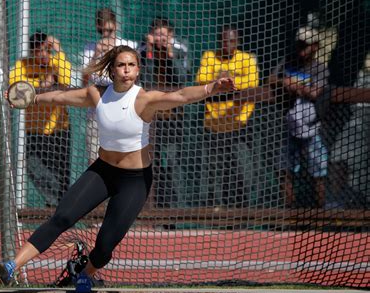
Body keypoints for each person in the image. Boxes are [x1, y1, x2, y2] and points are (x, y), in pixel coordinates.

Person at [0, 45, 236, 293]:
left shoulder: (145, 99)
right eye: (121, 65)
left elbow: (183, 95)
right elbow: (59, 97)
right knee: (63, 216)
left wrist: (212, 88)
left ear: (138, 70)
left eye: (131, 65)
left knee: (106, 242)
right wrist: (30, 97)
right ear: (112, 69)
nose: (126, 70)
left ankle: (86, 274)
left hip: (135, 180)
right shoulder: (97, 94)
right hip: (102, 171)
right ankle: (12, 266)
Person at [195, 25, 259, 206]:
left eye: (231, 41)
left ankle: (240, 210)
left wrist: (226, 82)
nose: (227, 45)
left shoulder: (245, 59)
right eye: (224, 41)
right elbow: (200, 79)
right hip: (214, 126)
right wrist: (220, 82)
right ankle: (215, 210)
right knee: (214, 172)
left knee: (242, 170)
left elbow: (252, 81)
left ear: (237, 42)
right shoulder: (210, 56)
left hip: (240, 125)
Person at [9, 31, 72, 207]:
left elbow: (66, 80)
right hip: (32, 130)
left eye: (45, 50)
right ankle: (54, 203)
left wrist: (58, 52)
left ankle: (60, 209)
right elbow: (15, 83)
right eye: (38, 51)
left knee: (61, 174)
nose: (42, 54)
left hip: (59, 129)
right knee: (32, 167)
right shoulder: (24, 64)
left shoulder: (56, 63)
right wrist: (40, 84)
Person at [270, 26, 329, 207]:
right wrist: (284, 81)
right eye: (300, 45)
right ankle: (290, 214)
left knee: (318, 171)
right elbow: (270, 80)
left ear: (315, 46)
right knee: (284, 170)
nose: (302, 49)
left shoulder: (320, 68)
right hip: (289, 125)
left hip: (311, 128)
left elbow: (315, 93)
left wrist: (297, 86)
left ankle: (321, 215)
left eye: (306, 45)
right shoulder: (288, 62)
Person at [138, 17, 190, 208]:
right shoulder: (143, 53)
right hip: (150, 118)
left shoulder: (180, 51)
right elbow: (146, 78)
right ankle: (151, 209)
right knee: (152, 162)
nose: (160, 38)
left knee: (172, 163)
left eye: (164, 35)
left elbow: (182, 77)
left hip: (173, 118)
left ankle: (171, 211)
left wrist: (169, 53)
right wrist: (150, 52)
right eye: (157, 34)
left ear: (171, 35)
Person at [82, 8, 137, 164]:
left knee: (122, 160)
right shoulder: (90, 48)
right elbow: (83, 81)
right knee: (95, 160)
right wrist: (96, 55)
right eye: (103, 30)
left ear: (116, 26)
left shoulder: (128, 45)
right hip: (97, 112)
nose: (106, 34)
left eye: (110, 30)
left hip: (124, 111)